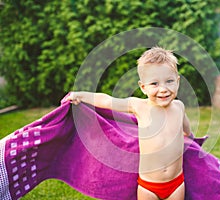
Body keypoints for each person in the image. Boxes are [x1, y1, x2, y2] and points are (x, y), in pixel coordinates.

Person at [66, 47, 192, 200]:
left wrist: (190, 137)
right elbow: (107, 100)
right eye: (154, 83)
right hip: (149, 186)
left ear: (177, 81)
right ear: (143, 87)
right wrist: (80, 95)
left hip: (177, 184)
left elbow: (186, 130)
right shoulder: (139, 106)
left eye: (169, 81)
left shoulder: (179, 107)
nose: (163, 89)